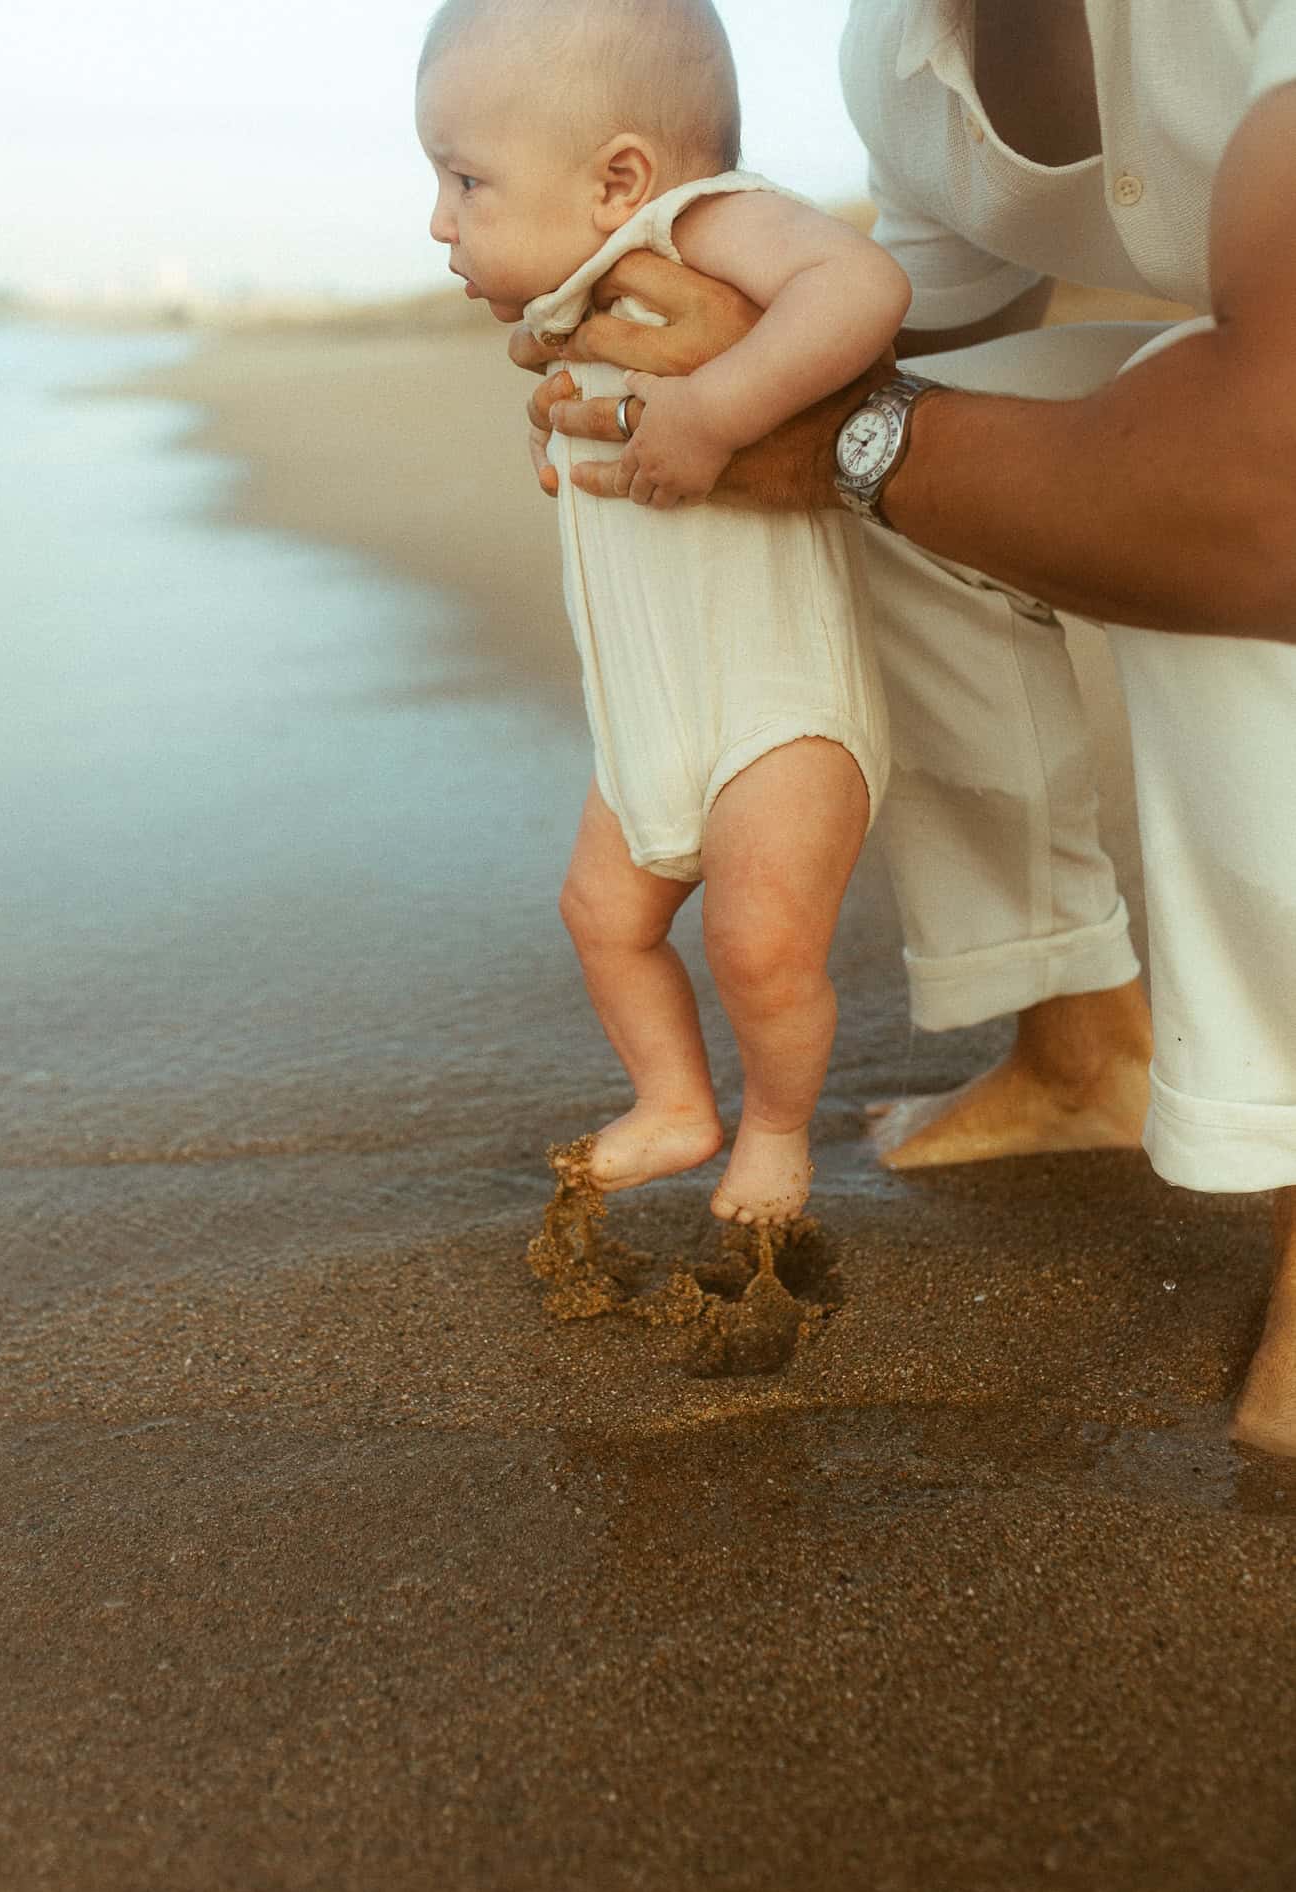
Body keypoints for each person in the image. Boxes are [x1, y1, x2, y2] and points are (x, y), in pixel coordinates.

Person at [511, 0, 1296, 1455]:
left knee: (1181, 467)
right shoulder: (903, 54)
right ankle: (1079, 1044)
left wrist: (848, 426)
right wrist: (697, 372)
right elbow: (900, 357)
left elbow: (1273, 483)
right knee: (878, 474)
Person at [416, 0, 913, 1223]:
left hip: (776, 704)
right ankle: (677, 1099)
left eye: (466, 179)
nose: (439, 221)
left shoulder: (697, 222)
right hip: (647, 716)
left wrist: (721, 408)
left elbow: (860, 282)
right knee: (601, 914)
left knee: (760, 943)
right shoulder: (578, 303)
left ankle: (779, 1133)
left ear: (618, 179)